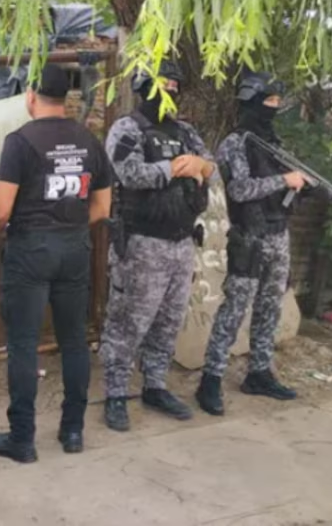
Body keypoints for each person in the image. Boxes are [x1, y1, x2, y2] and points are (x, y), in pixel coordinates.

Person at [0, 63, 112, 462]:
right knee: (74, 341)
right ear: (66, 100)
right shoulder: (88, 140)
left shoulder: (20, 141)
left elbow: (0, 210)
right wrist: (69, 227)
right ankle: (73, 431)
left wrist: (0, 224)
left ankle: (22, 440)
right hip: (74, 248)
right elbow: (102, 207)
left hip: (31, 251)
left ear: (30, 97)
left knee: (24, 344)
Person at [99, 59, 218, 432]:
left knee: (169, 320)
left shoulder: (185, 132)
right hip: (142, 244)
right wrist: (176, 169)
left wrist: (200, 164)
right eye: (163, 85)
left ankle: (155, 385)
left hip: (181, 242)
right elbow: (129, 174)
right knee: (128, 322)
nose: (170, 92)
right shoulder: (127, 129)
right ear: (144, 88)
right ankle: (116, 393)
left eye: (174, 86)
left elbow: (211, 169)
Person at [196, 71, 300, 416]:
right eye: (268, 101)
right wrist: (284, 180)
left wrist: (299, 186)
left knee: (270, 307)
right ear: (251, 102)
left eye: (277, 101)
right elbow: (240, 190)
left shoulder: (273, 144)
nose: (274, 107)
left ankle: (259, 372)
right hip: (249, 237)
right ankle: (210, 379)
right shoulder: (236, 143)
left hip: (277, 233)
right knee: (235, 308)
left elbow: (282, 185)